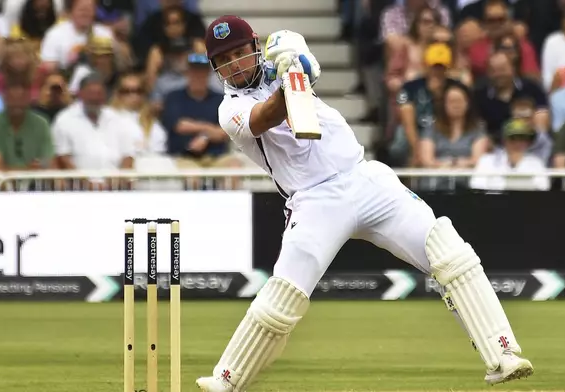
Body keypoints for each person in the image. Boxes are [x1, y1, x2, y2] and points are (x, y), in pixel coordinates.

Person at [195, 15, 534, 392]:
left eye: (240, 53)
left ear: (254, 45)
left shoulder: (282, 53)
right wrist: (289, 83)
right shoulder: (230, 110)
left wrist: (298, 64)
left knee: (448, 250)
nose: (235, 65)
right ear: (215, 68)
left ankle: (502, 354)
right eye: (224, 60)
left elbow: (311, 67)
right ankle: (227, 379)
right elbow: (264, 117)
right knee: (283, 296)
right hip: (313, 201)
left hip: (364, 178)